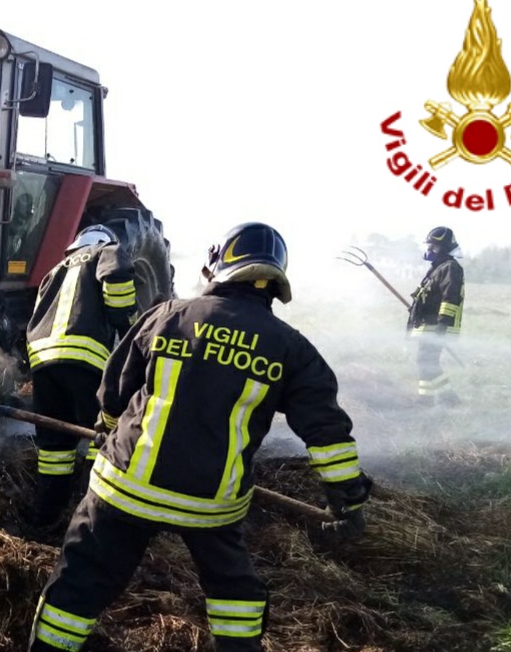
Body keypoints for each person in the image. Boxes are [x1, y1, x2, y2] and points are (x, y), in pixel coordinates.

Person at [27, 222, 372, 652]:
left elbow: (114, 393)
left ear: (217, 266)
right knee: (235, 597)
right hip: (211, 504)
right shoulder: (291, 349)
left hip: (124, 488)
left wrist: (109, 432)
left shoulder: (167, 314)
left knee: (77, 587)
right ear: (275, 280)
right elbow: (327, 434)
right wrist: (348, 499)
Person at [24, 224, 139, 530]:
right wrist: (131, 327)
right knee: (97, 434)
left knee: (53, 447)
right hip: (85, 359)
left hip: (43, 362)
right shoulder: (107, 252)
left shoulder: (54, 270)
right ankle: (88, 516)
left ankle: (45, 519)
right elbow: (117, 283)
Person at [406, 226, 464, 407]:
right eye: (429, 246)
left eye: (435, 247)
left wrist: (442, 325)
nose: (430, 250)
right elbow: (428, 295)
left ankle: (445, 399)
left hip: (437, 325)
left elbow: (450, 298)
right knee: (425, 362)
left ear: (445, 247)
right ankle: (429, 398)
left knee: (426, 361)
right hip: (428, 323)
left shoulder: (450, 268)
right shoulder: (438, 267)